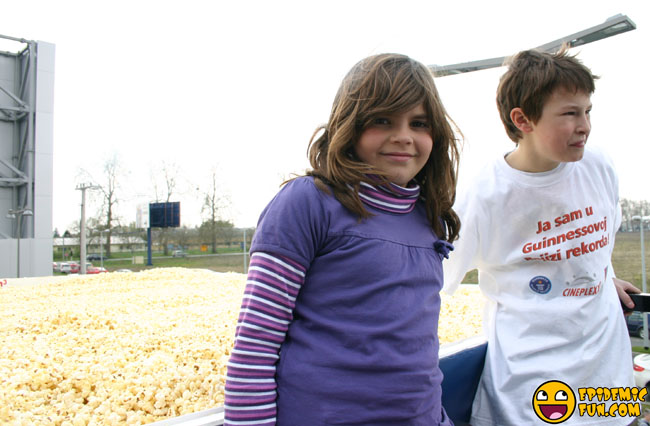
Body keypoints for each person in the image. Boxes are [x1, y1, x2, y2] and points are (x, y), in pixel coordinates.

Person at [224, 53, 461, 425]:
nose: (403, 136)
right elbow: (254, 347)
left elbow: (416, 354)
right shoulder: (308, 202)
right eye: (382, 120)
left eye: (419, 123)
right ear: (349, 125)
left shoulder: (428, 216)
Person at [443, 46, 638, 425]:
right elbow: (434, 276)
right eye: (569, 113)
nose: (584, 125)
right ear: (522, 119)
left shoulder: (598, 166)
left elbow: (600, 242)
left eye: (587, 111)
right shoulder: (484, 194)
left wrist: (602, 277)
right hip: (531, 395)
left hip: (609, 386)